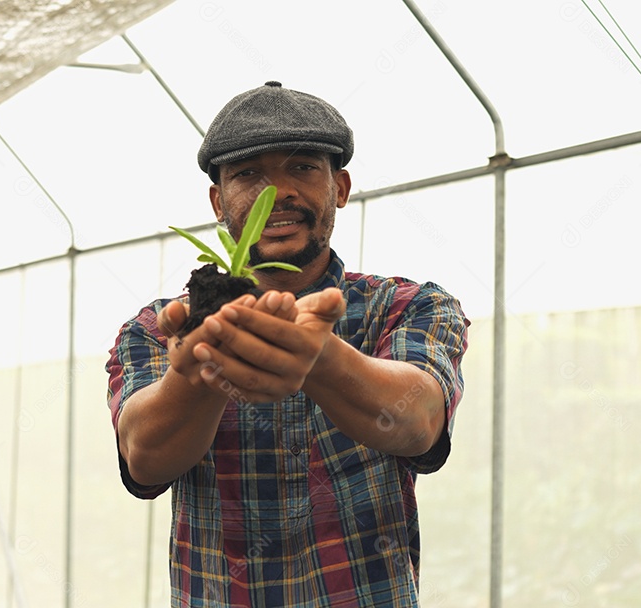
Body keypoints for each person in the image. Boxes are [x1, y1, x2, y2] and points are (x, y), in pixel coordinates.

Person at [105, 81, 469, 607]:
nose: (275, 193)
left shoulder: (408, 307)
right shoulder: (162, 328)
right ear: (218, 200)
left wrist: (318, 355)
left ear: (340, 188)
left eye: (301, 168)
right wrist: (198, 371)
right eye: (248, 174)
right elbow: (144, 456)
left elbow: (417, 422)